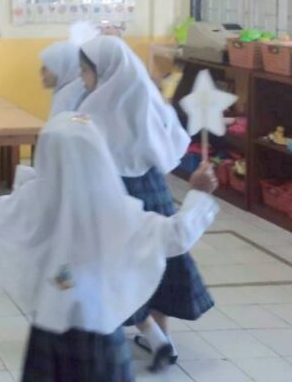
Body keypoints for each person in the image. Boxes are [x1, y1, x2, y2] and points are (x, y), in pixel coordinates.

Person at [0, 113, 219, 382]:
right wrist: (198, 194)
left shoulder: (36, 196)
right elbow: (176, 235)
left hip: (49, 326)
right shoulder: (116, 209)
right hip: (99, 332)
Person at [78, 35, 210, 370]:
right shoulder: (148, 95)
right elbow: (174, 141)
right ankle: (162, 337)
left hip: (111, 192)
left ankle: (139, 335)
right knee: (157, 259)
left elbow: (79, 153)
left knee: (113, 265)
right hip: (152, 188)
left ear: (104, 70)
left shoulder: (91, 108)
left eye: (85, 71)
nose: (82, 78)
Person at [39, 40, 87, 118]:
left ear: (64, 68)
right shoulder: (72, 92)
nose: (41, 71)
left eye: (47, 67)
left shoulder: (67, 97)